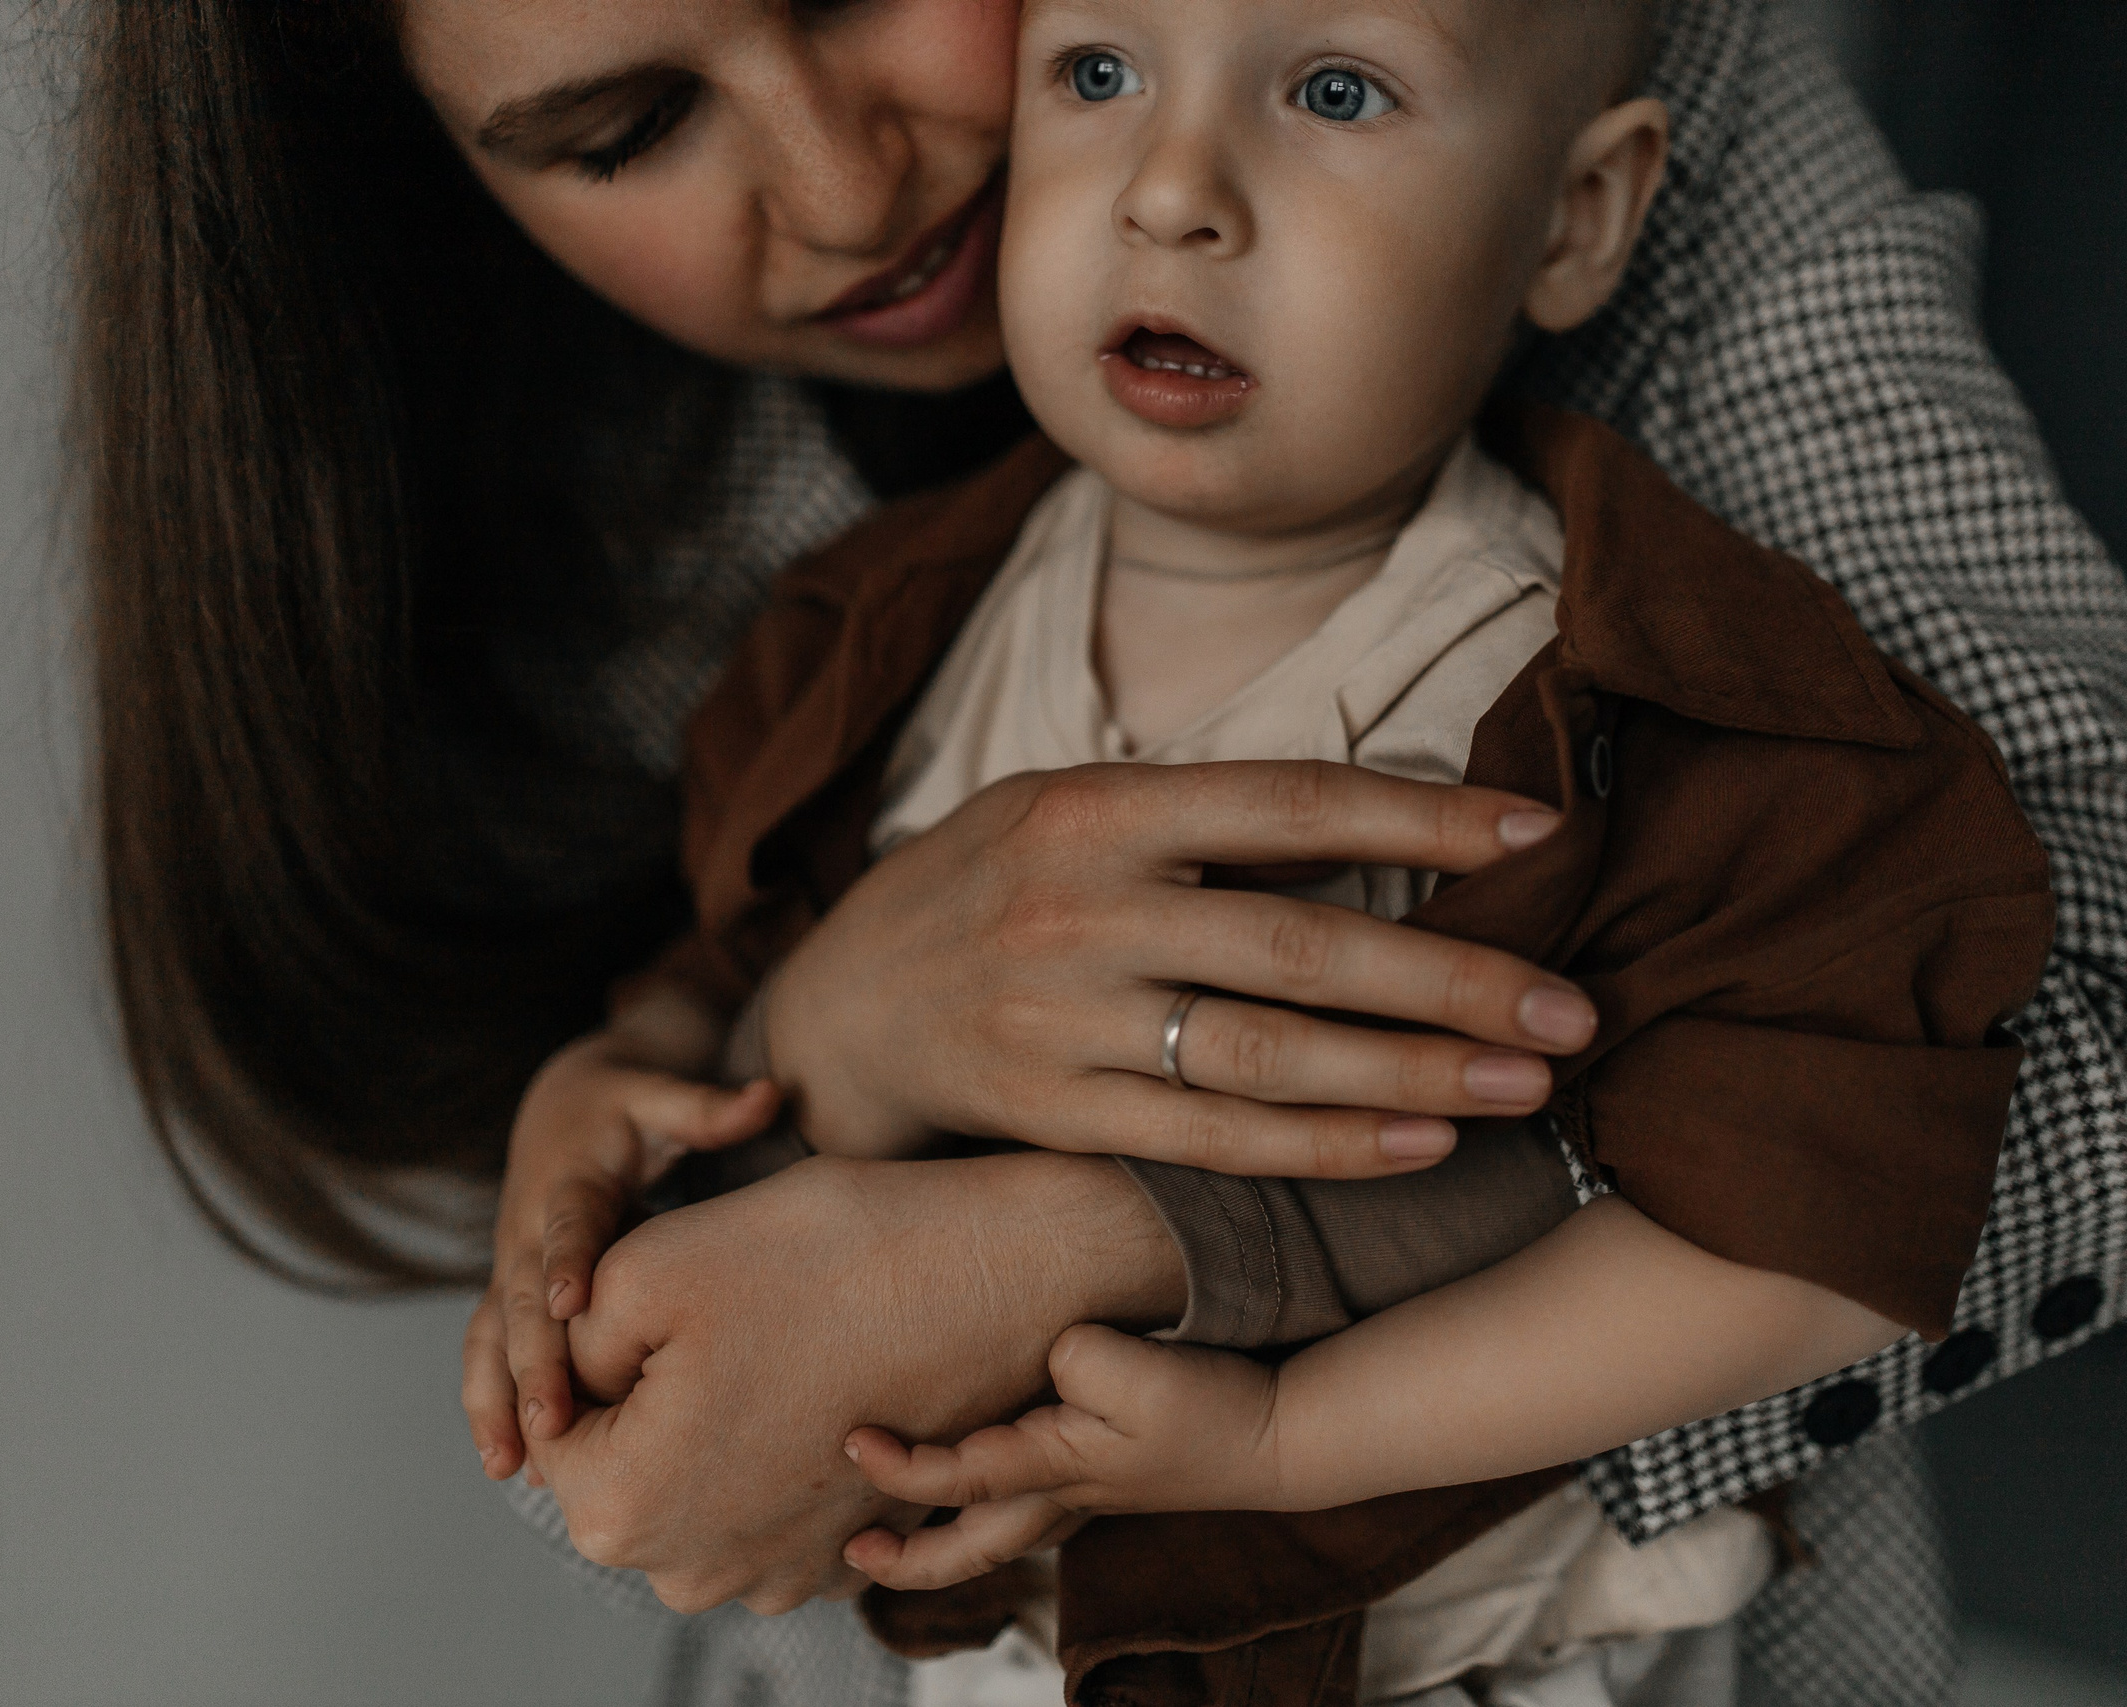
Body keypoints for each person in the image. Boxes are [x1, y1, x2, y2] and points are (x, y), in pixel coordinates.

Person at [59, 0, 2127, 1701]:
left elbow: (2117, 1070)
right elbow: (707, 1051)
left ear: (1581, 210)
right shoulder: (777, 573)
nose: (840, 190)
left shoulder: (1624, 552)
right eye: (629, 129)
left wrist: (1118, 1264)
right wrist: (792, 1038)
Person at [600, 0, 2053, 1699]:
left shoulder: (1646, 688)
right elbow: (742, 976)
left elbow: (1824, 1228)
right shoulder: (873, 626)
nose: (1171, 188)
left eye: (1337, 89)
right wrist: (634, 1065)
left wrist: (1296, 1432)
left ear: (1576, 220)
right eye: (1097, 73)